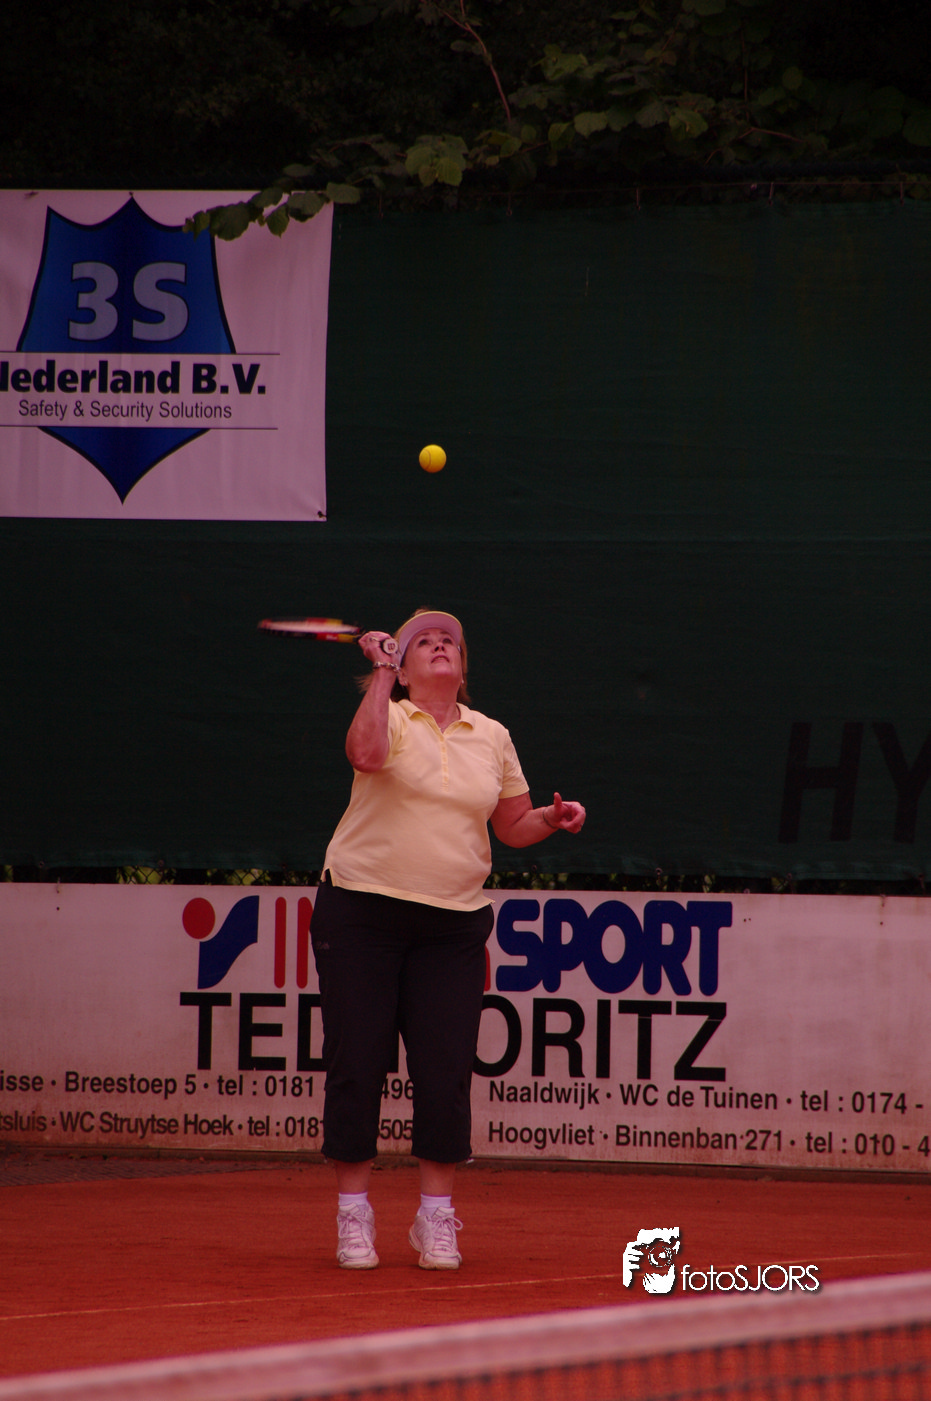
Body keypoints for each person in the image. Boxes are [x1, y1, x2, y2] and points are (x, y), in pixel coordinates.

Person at [311, 608, 586, 1271]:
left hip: (453, 925)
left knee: (443, 1071)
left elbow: (511, 824)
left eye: (449, 641)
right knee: (357, 1062)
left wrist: (550, 818)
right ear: (404, 668)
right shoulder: (389, 714)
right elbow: (364, 755)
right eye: (423, 642)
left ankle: (435, 1217)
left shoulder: (491, 734)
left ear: (462, 667)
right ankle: (354, 1215)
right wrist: (381, 674)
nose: (439, 646)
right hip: (360, 912)